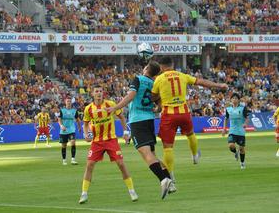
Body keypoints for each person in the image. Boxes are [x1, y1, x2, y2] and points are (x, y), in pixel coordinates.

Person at [151, 56, 228, 184]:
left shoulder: (159, 79)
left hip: (168, 115)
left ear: (161, 67)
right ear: (172, 64)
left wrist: (158, 100)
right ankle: (194, 156)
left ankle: (171, 176)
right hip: (184, 112)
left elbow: (153, 96)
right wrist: (219, 85)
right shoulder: (182, 75)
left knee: (168, 148)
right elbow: (201, 82)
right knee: (191, 134)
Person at [106, 61, 174, 199]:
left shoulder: (138, 79)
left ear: (146, 68)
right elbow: (160, 105)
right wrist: (156, 109)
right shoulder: (154, 83)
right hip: (149, 119)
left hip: (138, 120)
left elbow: (131, 96)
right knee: (152, 154)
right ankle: (170, 181)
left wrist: (116, 107)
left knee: (145, 153)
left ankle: (163, 179)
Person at [79, 84, 138, 204]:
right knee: (89, 165)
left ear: (103, 93)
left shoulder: (110, 104)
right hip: (96, 142)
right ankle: (84, 194)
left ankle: (132, 191)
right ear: (92, 93)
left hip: (111, 140)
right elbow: (85, 124)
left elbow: (121, 117)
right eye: (96, 91)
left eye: (100, 91)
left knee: (121, 164)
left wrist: (126, 132)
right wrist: (86, 135)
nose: (99, 93)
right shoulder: (88, 109)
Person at [222, 93, 250, 169]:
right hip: (232, 131)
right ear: (231, 100)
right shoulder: (228, 109)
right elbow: (226, 119)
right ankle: (235, 153)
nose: (234, 99)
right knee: (231, 145)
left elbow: (247, 118)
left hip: (241, 132)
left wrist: (245, 124)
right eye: (233, 98)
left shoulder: (243, 108)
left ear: (238, 100)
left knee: (242, 149)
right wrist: (224, 128)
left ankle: (242, 163)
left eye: (236, 98)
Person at [58, 97, 81, 165]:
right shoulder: (62, 110)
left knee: (73, 142)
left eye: (70, 101)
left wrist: (79, 127)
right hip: (63, 130)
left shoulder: (74, 111)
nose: (69, 102)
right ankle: (64, 160)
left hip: (71, 129)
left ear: (71, 103)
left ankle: (73, 159)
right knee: (64, 145)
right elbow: (59, 119)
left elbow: (78, 120)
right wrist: (61, 126)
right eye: (67, 101)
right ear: (65, 102)